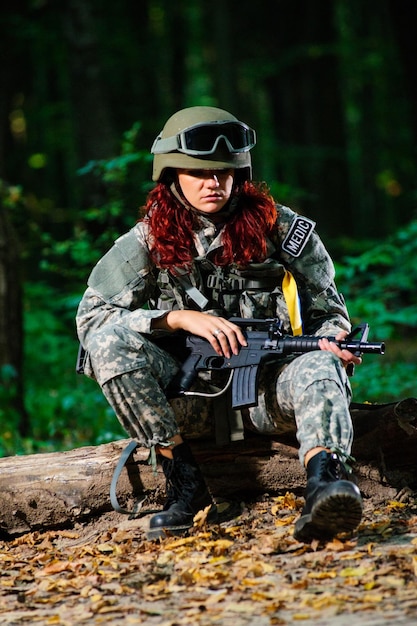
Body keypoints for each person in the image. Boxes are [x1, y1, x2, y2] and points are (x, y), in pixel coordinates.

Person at [76, 105, 363, 542]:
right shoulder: (148, 239)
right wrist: (175, 318)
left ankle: (326, 485)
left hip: (269, 390)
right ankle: (185, 485)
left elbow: (330, 313)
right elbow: (91, 318)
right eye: (200, 173)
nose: (214, 183)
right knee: (108, 343)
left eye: (224, 173)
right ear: (171, 174)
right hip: (189, 399)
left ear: (239, 173)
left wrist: (332, 342)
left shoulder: (279, 228)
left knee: (320, 364)